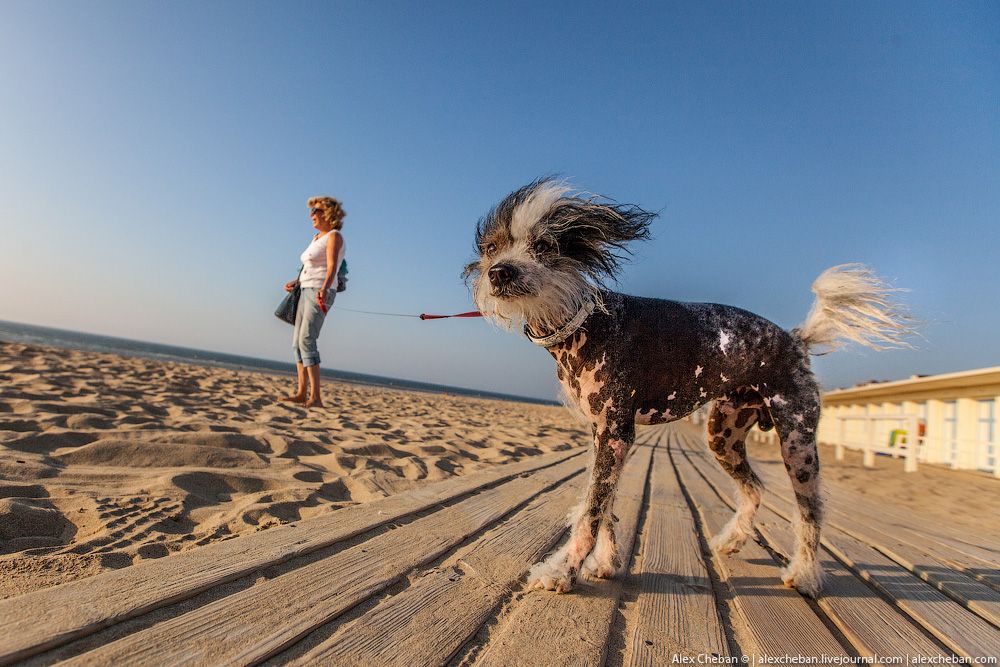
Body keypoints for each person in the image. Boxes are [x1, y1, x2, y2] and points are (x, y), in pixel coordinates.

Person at [282, 196, 346, 408]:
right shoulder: (316, 237)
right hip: (305, 288)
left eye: (316, 210)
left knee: (307, 339)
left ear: (328, 213)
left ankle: (315, 397)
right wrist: (296, 281)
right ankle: (302, 393)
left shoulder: (334, 236)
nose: (311, 215)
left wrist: (324, 288)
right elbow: (310, 267)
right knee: (297, 343)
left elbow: (331, 267)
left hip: (320, 290)